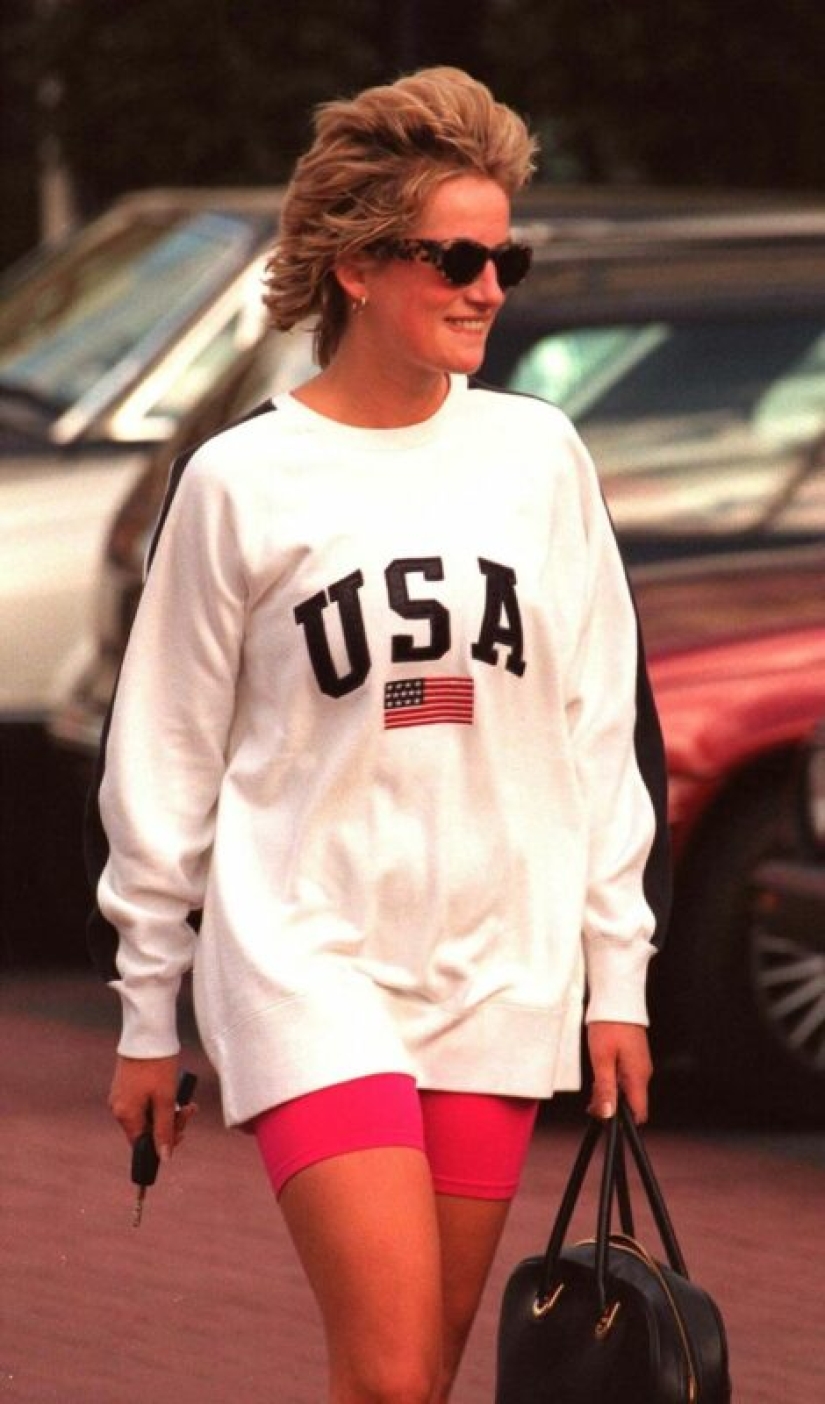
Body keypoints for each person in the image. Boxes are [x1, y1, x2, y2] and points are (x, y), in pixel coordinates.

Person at [87, 66, 671, 1404]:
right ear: (355, 267)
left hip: (498, 969)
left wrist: (618, 978)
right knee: (400, 1371)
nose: (488, 288)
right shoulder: (241, 480)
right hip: (307, 960)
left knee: (408, 1377)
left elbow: (599, 734)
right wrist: (146, 1008)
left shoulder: (540, 456)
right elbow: (163, 756)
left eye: (506, 259)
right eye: (455, 258)